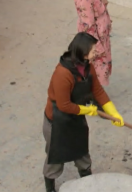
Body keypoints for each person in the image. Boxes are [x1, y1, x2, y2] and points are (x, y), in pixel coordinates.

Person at [42, 32, 125, 192]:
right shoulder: (62, 74)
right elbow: (64, 105)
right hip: (57, 123)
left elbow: (98, 91)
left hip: (76, 119)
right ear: (83, 52)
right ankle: (50, 188)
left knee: (82, 153)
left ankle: (88, 183)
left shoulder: (88, 67)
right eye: (93, 50)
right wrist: (88, 110)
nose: (96, 53)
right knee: (55, 159)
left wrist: (113, 112)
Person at [73, 0, 112, 86]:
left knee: (101, 70)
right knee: (94, 73)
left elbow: (103, 2)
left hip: (102, 35)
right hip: (94, 41)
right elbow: (87, 25)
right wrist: (96, 49)